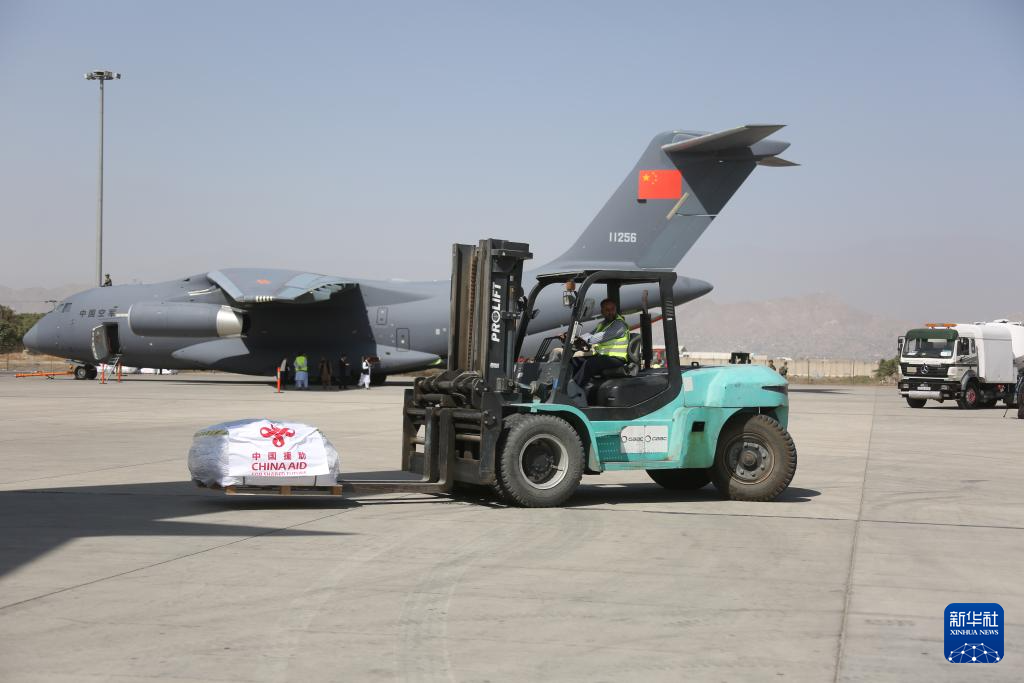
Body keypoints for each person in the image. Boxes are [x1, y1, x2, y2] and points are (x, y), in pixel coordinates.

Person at [561, 298, 629, 389]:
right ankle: (564, 385)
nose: (610, 312)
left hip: (617, 359)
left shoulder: (619, 325)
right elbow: (590, 334)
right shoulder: (603, 324)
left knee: (590, 364)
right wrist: (571, 338)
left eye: (612, 309)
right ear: (602, 312)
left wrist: (579, 340)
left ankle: (574, 390)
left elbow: (597, 338)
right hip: (603, 357)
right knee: (574, 361)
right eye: (607, 310)